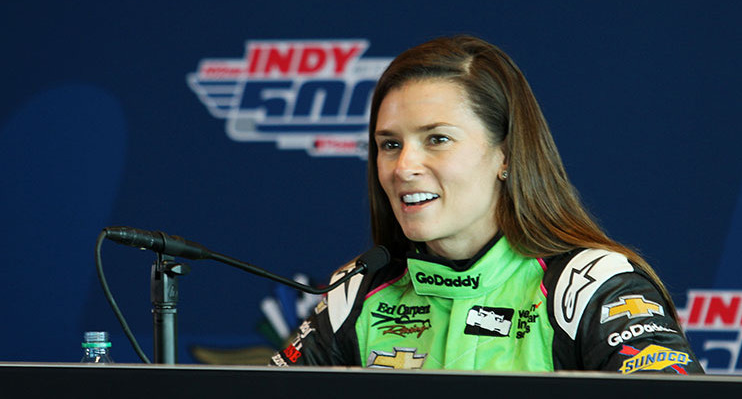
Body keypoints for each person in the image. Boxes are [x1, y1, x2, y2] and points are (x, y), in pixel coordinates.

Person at [269, 35, 704, 374]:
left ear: (507, 155)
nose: (403, 166)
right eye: (389, 144)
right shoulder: (359, 292)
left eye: (437, 139)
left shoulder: (589, 286)